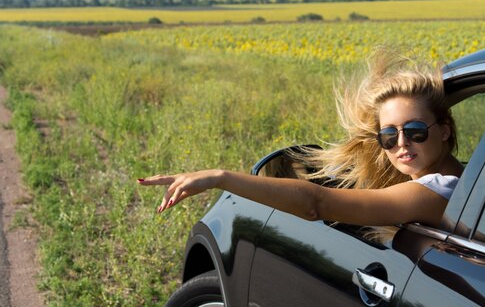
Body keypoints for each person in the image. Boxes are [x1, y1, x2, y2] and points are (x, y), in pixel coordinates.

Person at [138, 48, 464, 240]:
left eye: (416, 130)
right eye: (389, 136)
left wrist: (221, 178)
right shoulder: (468, 183)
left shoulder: (440, 190)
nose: (402, 143)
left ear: (445, 131)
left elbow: (316, 203)